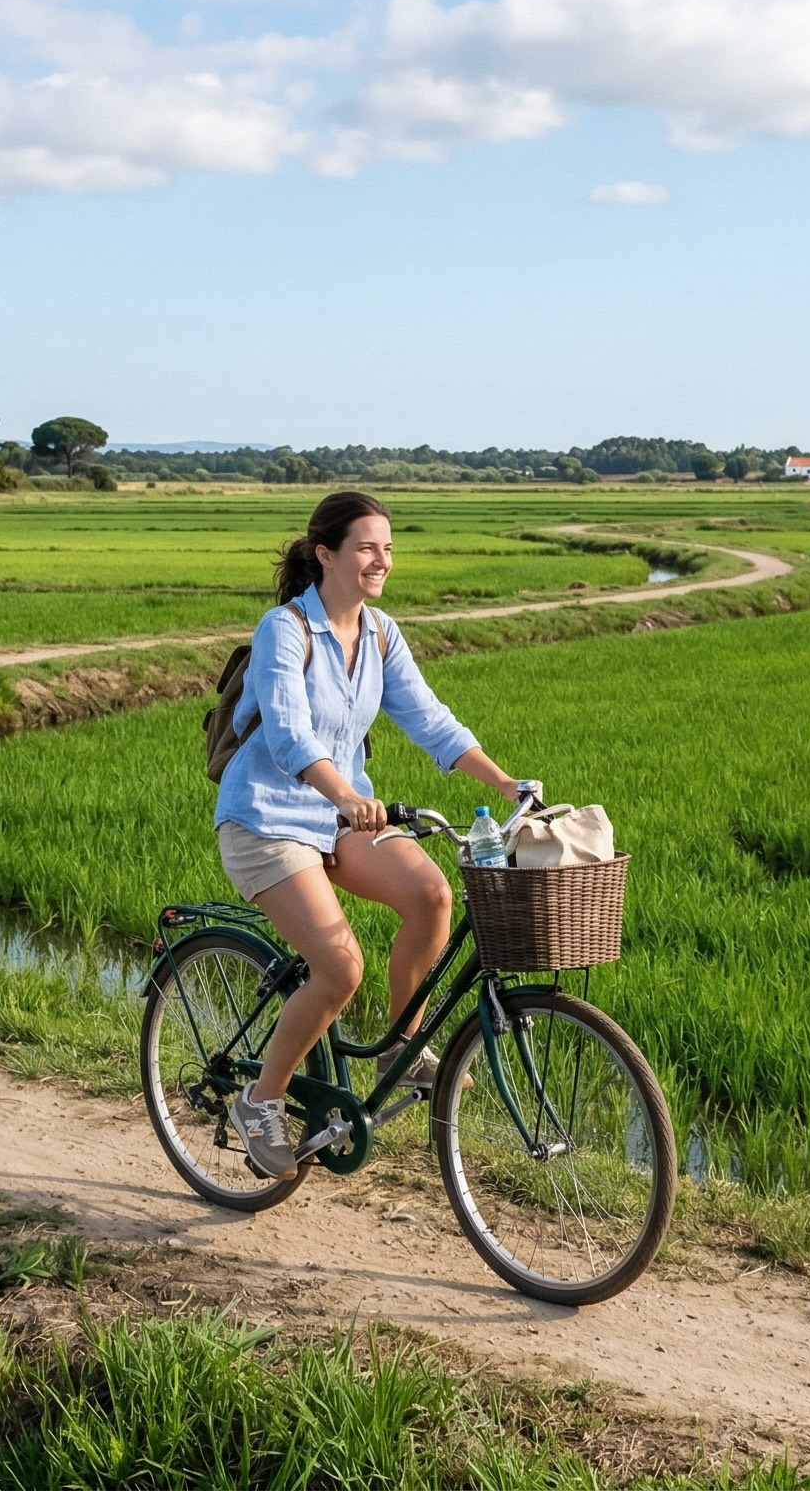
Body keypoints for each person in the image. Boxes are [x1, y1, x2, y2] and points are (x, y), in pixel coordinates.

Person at [215, 489, 521, 1179]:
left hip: (337, 817)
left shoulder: (381, 633)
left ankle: (400, 1047)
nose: (381, 560)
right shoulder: (285, 629)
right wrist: (350, 795)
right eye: (366, 547)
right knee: (339, 967)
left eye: (388, 548)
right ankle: (260, 1102)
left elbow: (431, 720)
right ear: (326, 554)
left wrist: (505, 784)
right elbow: (290, 732)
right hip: (266, 819)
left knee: (432, 895)